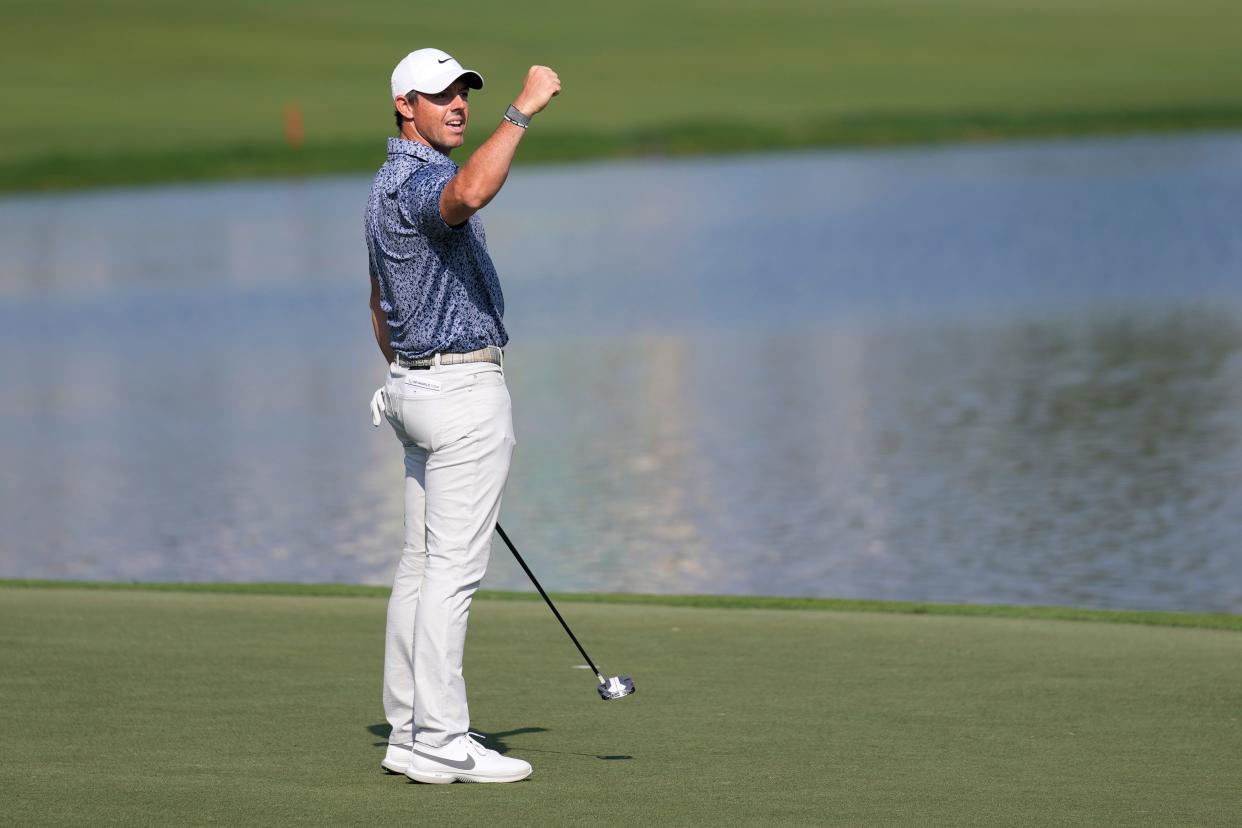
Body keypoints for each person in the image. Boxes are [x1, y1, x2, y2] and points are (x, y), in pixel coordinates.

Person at [363, 48, 560, 784]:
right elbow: (471, 194)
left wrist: (405, 374)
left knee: (420, 568)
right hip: (460, 394)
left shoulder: (381, 184)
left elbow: (379, 304)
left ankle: (409, 732)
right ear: (403, 107)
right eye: (438, 95)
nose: (457, 104)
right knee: (450, 573)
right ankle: (443, 741)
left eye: (463, 94)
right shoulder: (423, 182)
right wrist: (523, 110)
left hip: (416, 392)